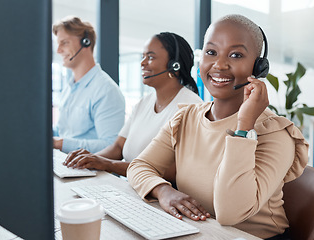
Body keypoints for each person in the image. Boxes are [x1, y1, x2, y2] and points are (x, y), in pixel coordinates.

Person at [127, 14, 309, 240]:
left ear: (259, 67)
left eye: (236, 55)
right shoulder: (185, 118)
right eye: (211, 52)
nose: (219, 65)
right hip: (196, 232)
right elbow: (139, 166)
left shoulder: (275, 132)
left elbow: (230, 213)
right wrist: (163, 191)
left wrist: (244, 127)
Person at [63, 32, 203, 182]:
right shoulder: (144, 103)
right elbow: (117, 147)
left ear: (174, 65)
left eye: (150, 57)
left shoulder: (190, 107)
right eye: (143, 56)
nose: (143, 62)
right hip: (130, 190)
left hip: (160, 197)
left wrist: (108, 165)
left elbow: (172, 171)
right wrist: (89, 159)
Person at [52, 16, 125, 153]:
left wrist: (60, 143)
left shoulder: (106, 90)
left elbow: (111, 146)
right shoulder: (69, 87)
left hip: (90, 172)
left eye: (64, 43)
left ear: (86, 43)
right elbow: (63, 131)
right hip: (65, 165)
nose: (58, 50)